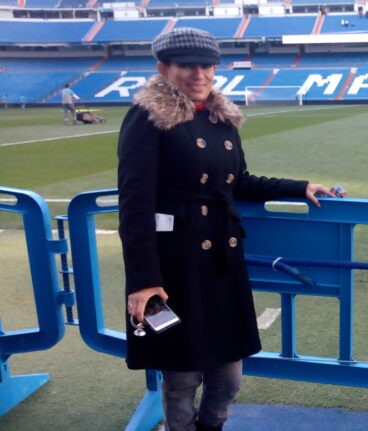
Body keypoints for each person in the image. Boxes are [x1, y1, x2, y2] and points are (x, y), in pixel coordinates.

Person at [117, 28, 335, 431]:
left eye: (207, 66)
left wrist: (299, 188)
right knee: (182, 375)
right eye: (187, 66)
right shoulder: (147, 119)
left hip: (220, 264)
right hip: (173, 269)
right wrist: (144, 282)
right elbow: (134, 207)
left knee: (229, 378)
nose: (199, 74)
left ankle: (211, 426)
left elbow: (241, 182)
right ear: (164, 69)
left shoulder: (221, 119)